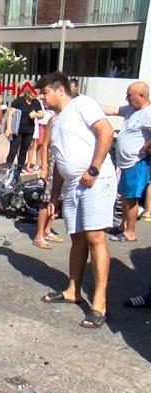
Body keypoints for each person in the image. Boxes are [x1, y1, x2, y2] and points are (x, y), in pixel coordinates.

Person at [36, 71, 116, 329]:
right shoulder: (55, 121)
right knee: (77, 237)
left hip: (95, 180)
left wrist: (93, 169)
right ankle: (73, 290)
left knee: (95, 237)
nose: (42, 98)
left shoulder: (83, 104)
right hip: (71, 186)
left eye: (45, 92)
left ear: (60, 90)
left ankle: (99, 303)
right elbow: (59, 160)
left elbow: (106, 132)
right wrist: (54, 195)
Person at [102, 81, 151, 242]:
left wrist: (146, 146)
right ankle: (123, 226)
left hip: (136, 162)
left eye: (129, 95)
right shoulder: (131, 109)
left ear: (142, 95)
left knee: (131, 199)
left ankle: (130, 232)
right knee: (124, 196)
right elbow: (113, 110)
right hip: (125, 163)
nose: (126, 98)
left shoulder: (148, 113)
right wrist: (87, 104)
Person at [32, 115, 65, 249]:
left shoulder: (72, 116)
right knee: (47, 199)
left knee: (56, 199)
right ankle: (39, 235)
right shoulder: (54, 119)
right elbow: (45, 145)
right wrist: (44, 168)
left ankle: (47, 230)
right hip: (53, 164)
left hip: (62, 164)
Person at [5, 88, 43, 172]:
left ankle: (19, 170)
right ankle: (6, 169)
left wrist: (36, 114)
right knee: (13, 150)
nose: (34, 95)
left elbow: (41, 114)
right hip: (17, 130)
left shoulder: (36, 102)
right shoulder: (18, 101)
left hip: (29, 130)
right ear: (27, 93)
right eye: (32, 93)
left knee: (24, 151)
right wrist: (8, 128)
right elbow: (10, 114)